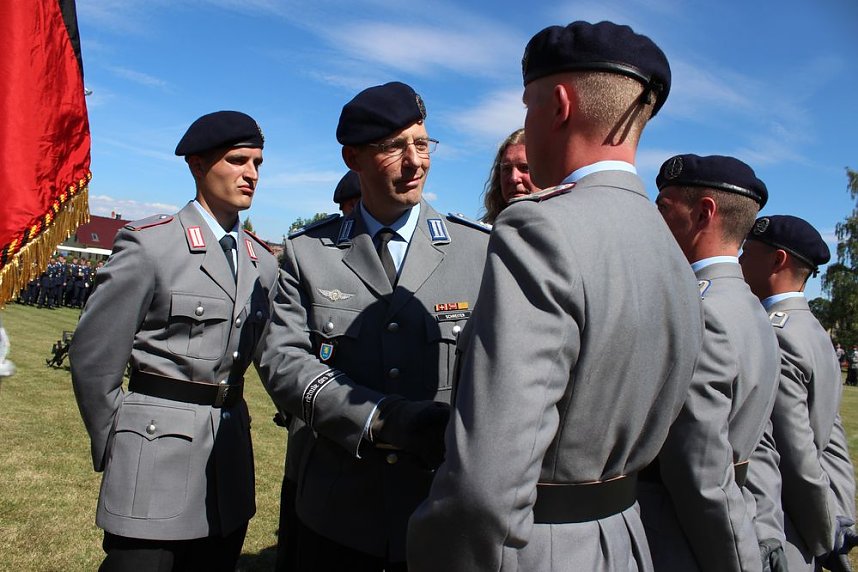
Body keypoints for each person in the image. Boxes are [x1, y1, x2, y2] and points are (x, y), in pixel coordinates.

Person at [407, 21, 704, 571]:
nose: (525, 122)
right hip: (625, 543)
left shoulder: (539, 231)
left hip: (533, 548)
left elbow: (485, 486)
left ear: (559, 104)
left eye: (528, 105)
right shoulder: (673, 252)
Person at [256, 81, 490, 572]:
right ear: (353, 158)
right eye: (393, 148)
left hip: (440, 507)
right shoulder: (308, 253)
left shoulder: (478, 251)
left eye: (422, 144)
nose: (415, 162)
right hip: (339, 510)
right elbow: (284, 361)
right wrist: (378, 418)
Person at [69, 110, 278, 571]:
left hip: (228, 466)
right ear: (198, 165)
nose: (251, 174)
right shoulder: (152, 246)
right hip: (152, 461)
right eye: (238, 160)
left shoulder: (262, 262)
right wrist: (120, 443)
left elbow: (271, 354)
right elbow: (93, 359)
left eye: (258, 163)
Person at [639, 154, 781, 571]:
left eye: (663, 208)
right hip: (728, 521)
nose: (653, 220)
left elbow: (698, 472)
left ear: (703, 214)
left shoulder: (700, 311)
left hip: (678, 536)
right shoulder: (751, 307)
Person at [740, 215, 858, 572]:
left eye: (748, 252)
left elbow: (796, 453)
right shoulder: (812, 329)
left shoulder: (778, 336)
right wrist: (839, 515)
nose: (740, 260)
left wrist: (824, 537)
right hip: (806, 516)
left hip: (785, 523)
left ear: (777, 260)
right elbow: (833, 441)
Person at [480, 128, 540, 224]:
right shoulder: (486, 234)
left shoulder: (566, 229)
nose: (513, 178)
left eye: (525, 167)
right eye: (506, 169)